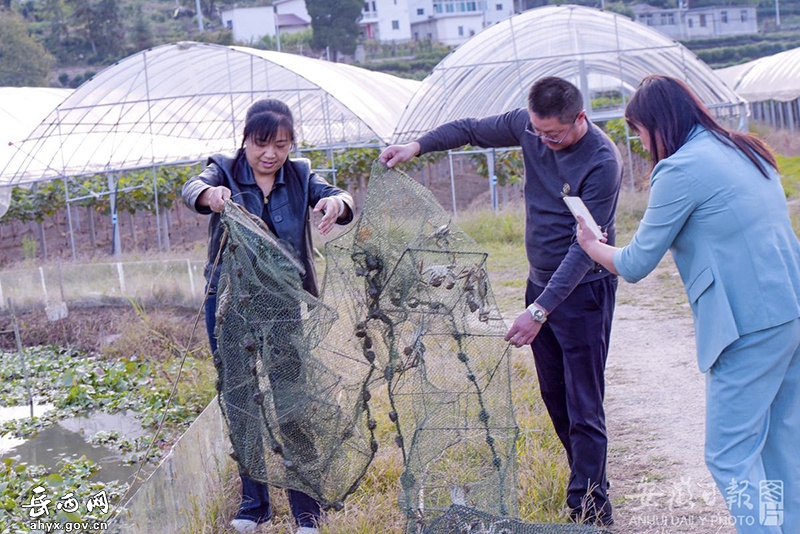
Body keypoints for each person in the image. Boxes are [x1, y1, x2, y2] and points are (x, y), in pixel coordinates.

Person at [380, 76, 622, 526]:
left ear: (580, 119)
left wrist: (538, 311)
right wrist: (416, 146)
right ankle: (590, 483)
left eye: (555, 135)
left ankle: (591, 511)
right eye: (538, 132)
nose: (545, 142)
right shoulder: (529, 128)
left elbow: (584, 251)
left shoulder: (602, 162)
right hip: (539, 285)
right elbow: (469, 129)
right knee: (554, 396)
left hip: (584, 292)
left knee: (584, 403)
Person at [575, 74, 800, 533]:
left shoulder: (680, 169)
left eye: (638, 131)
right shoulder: (745, 148)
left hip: (749, 324)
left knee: (729, 455)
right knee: (781, 441)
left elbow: (637, 263)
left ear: (659, 124)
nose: (640, 144)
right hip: (790, 309)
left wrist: (591, 245)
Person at [182, 99, 354, 534]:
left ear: (291, 144)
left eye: (281, 144)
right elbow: (192, 189)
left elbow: (339, 196)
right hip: (229, 304)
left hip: (281, 304)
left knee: (291, 400)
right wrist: (210, 195)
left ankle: (306, 510)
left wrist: (337, 206)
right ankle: (253, 506)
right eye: (262, 144)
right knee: (240, 399)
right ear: (246, 141)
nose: (271, 154)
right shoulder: (222, 169)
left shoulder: (300, 174)